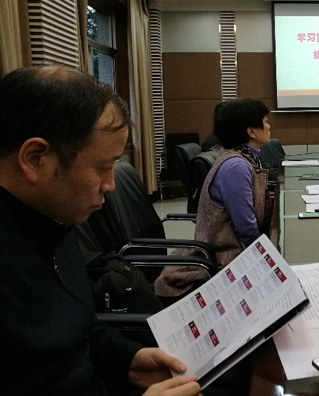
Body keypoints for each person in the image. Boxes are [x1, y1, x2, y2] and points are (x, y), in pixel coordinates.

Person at [0, 65, 201, 396]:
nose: (110, 185)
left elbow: (74, 331)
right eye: (103, 167)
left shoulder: (51, 221)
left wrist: (126, 359)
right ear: (35, 159)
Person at [156, 98, 273, 297]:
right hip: (225, 257)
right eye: (265, 121)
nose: (269, 126)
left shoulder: (239, 157)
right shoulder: (237, 166)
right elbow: (247, 229)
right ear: (251, 131)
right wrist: (268, 256)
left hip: (231, 249)